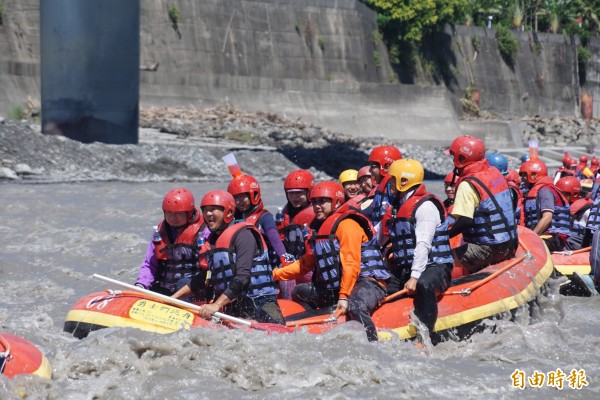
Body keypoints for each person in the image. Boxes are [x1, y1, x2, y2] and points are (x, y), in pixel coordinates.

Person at [273, 181, 390, 341]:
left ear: (336, 202)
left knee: (356, 306)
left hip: (369, 283)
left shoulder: (348, 224)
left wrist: (343, 296)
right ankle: (319, 324)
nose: (317, 206)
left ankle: (372, 345)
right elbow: (304, 264)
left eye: (322, 201)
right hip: (341, 287)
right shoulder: (321, 229)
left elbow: (351, 263)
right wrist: (275, 275)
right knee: (300, 292)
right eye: (314, 202)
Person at [172, 190, 285, 324]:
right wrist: (172, 299)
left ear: (229, 213)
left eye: (213, 210)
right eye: (205, 210)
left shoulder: (244, 235)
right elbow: (204, 278)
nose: (208, 214)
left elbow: (243, 277)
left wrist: (216, 305)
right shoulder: (213, 240)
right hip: (232, 306)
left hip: (260, 303)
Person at [382, 159, 453, 344]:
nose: (389, 184)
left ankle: (426, 338)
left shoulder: (426, 207)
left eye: (392, 180)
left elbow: (424, 244)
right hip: (406, 266)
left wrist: (414, 277)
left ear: (403, 181)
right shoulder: (397, 206)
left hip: (436, 266)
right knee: (383, 290)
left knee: (424, 285)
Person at [446, 136, 518, 273]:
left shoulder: (468, 184)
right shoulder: (495, 173)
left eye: (454, 156)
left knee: (438, 258)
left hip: (488, 248)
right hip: (511, 243)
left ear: (461, 159)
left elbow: (466, 220)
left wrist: (444, 237)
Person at [227, 174, 295, 298]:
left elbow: (274, 237)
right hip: (242, 266)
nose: (239, 201)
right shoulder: (231, 219)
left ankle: (288, 303)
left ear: (254, 196)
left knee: (287, 275)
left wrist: (284, 257)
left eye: (243, 197)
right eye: (236, 198)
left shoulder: (264, 217)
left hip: (263, 267)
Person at [135, 188, 208, 296]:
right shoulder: (159, 232)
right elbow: (150, 264)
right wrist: (141, 285)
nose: (173, 217)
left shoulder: (205, 231)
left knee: (183, 283)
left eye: (178, 213)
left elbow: (209, 270)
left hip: (192, 291)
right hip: (166, 289)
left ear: (189, 213)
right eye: (169, 213)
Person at [520, 158, 571, 252]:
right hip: (544, 235)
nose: (522, 178)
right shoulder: (535, 191)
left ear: (534, 175)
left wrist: (531, 237)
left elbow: (547, 217)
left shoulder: (545, 191)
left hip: (554, 236)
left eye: (524, 175)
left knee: (529, 249)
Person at [362, 145, 402, 231]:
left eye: (373, 167)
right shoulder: (382, 186)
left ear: (386, 167)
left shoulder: (393, 186)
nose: (370, 171)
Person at [556, 176, 592, 250]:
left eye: (563, 194)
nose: (559, 197)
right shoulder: (561, 208)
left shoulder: (588, 212)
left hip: (580, 252)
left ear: (575, 194)